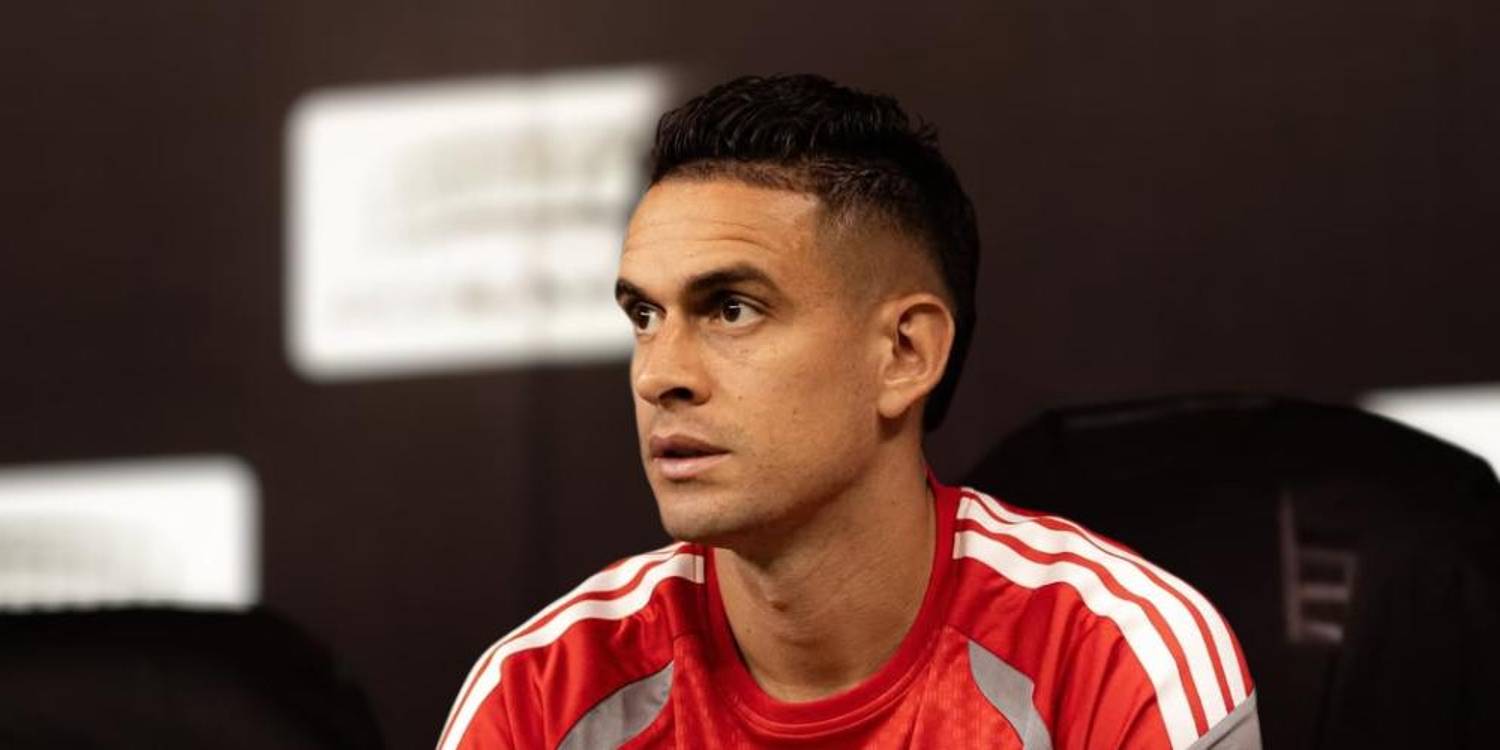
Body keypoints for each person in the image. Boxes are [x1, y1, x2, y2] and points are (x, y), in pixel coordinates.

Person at [437, 74, 1259, 749]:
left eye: (731, 309)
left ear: (904, 353)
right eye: (645, 316)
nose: (660, 375)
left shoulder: (1115, 655)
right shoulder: (541, 694)